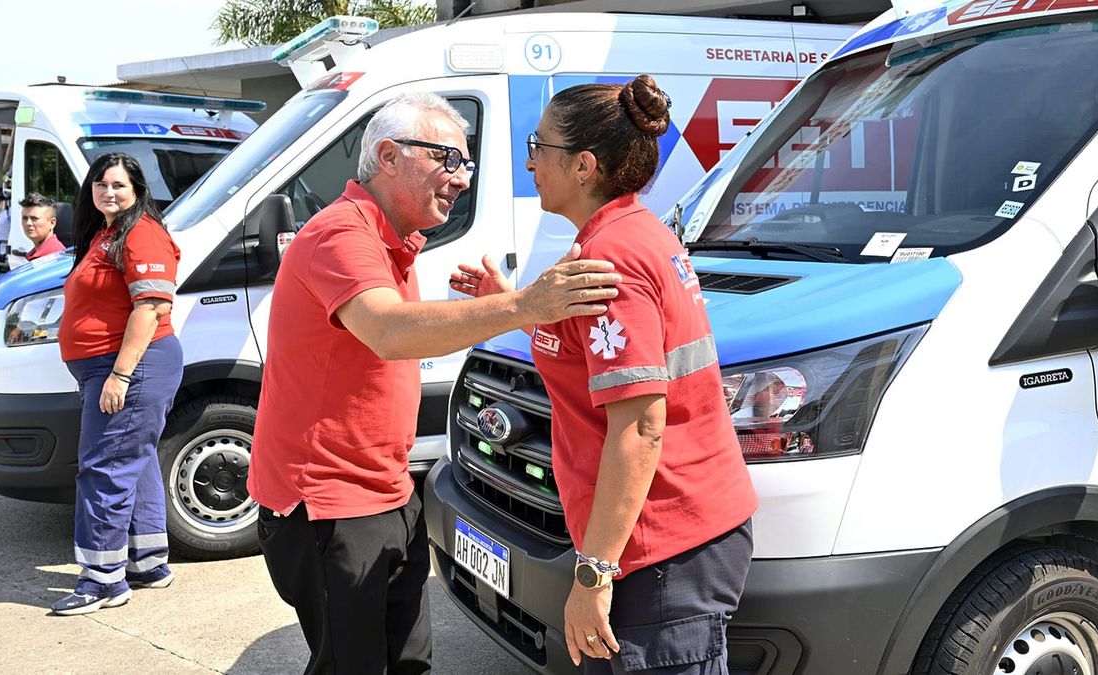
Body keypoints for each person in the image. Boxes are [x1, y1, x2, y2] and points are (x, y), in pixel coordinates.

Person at [247, 91, 621, 675]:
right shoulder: (341, 235)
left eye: (466, 163)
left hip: (387, 492)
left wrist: (507, 306)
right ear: (389, 156)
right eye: (448, 160)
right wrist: (526, 304)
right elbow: (390, 332)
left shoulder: (392, 242)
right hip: (329, 506)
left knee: (410, 662)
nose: (461, 178)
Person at [454, 75, 758, 675]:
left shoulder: (610, 258)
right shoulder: (628, 234)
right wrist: (513, 303)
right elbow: (588, 354)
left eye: (539, 147)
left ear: (585, 165)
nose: (531, 161)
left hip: (661, 546)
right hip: (667, 535)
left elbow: (641, 427)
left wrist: (594, 573)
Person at [52, 153, 183, 615]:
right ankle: (147, 563)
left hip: (132, 366)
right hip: (106, 366)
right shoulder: (108, 232)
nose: (108, 192)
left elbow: (149, 309)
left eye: (119, 185)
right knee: (134, 461)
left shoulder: (142, 232)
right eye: (100, 184)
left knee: (103, 469)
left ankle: (102, 581)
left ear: (137, 190)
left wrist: (119, 375)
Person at [20, 192, 66, 260]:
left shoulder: (53, 257)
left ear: (52, 223)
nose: (28, 223)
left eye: (34, 218)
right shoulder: (39, 255)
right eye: (25, 218)